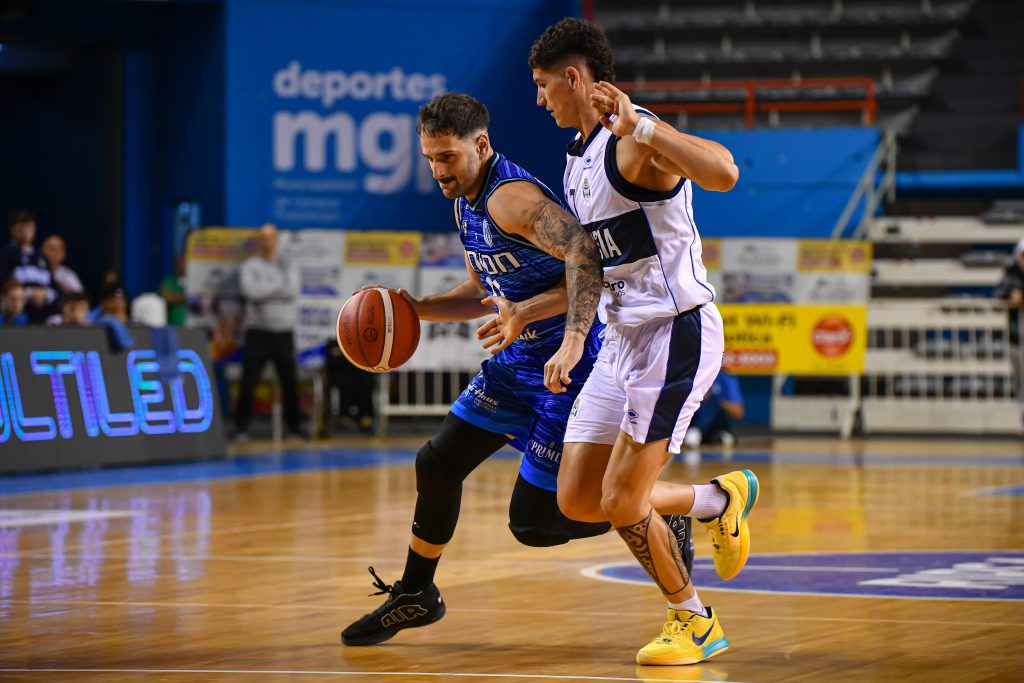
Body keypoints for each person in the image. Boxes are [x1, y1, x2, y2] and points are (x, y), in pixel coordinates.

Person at [341, 92, 697, 647]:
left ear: (480, 145)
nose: (438, 171)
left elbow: (587, 258)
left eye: (448, 158)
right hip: (517, 362)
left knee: (536, 525)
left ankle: (659, 507)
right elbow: (488, 290)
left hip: (566, 368)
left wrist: (533, 316)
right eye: (430, 159)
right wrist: (415, 309)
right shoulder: (465, 198)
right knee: (437, 464)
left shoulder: (511, 198)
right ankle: (416, 594)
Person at [530, 18, 756, 666]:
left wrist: (645, 128)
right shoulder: (576, 160)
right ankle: (717, 499)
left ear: (575, 78)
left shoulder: (631, 142)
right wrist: (571, 334)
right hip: (619, 337)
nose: (539, 99)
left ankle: (694, 618)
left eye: (545, 85)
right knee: (577, 498)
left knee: (620, 499)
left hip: (673, 332)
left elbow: (726, 172)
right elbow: (592, 264)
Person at [234, 223, 303, 441]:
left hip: (284, 331)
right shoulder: (250, 266)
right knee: (249, 381)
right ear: (259, 241)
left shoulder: (288, 265)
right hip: (258, 331)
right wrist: (277, 288)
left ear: (276, 240)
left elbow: (292, 290)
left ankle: (294, 427)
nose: (267, 241)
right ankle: (241, 428)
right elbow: (250, 292)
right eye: (263, 237)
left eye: (271, 237)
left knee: (289, 381)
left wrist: (266, 291)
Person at [0, 210, 57, 323]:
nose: (25, 231)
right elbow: (3, 285)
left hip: (45, 316)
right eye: (21, 227)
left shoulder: (42, 257)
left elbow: (54, 288)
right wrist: (29, 293)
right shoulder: (6, 254)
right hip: (17, 319)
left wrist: (46, 295)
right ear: (12, 230)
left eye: (29, 227)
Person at [995, 237, 1024, 428]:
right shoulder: (1011, 274)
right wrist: (1012, 299)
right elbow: (1001, 293)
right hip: (1017, 337)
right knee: (1021, 382)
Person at [683, 370, 744, 449]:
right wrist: (700, 396)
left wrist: (719, 402)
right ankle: (697, 432)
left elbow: (739, 412)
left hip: (718, 421)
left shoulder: (726, 377)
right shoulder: (695, 374)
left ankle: (700, 433)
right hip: (695, 417)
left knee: (714, 402)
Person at [159, 254, 188, 327]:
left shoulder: (195, 283)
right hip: (172, 328)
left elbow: (197, 299)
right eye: (178, 263)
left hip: (192, 328)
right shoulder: (168, 281)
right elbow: (167, 297)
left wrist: (176, 297)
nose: (180, 265)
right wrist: (185, 298)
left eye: (184, 263)